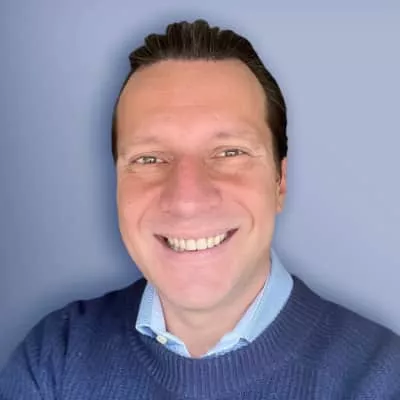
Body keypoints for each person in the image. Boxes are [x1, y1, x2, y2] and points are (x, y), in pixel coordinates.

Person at [0, 19, 399, 400]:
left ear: (279, 181)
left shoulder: (382, 379)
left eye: (229, 152)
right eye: (149, 159)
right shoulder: (55, 358)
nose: (187, 199)